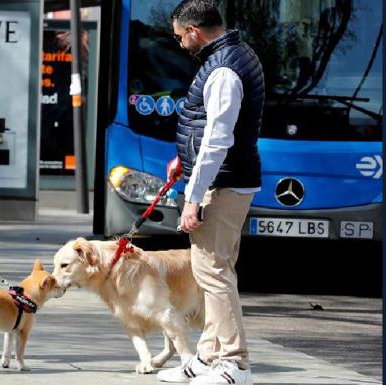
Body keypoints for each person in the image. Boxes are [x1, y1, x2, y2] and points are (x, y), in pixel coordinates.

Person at [157, 1, 263, 384]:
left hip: (224, 184)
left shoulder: (222, 70)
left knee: (214, 273)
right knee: (215, 271)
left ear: (194, 32)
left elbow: (218, 139)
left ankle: (235, 364)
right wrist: (182, 160)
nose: (179, 43)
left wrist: (192, 197)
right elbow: (209, 129)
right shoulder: (237, 53)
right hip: (230, 178)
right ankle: (207, 357)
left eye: (178, 36)